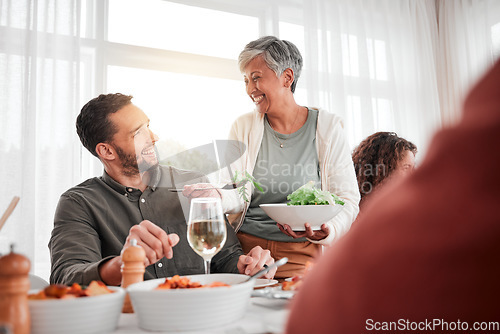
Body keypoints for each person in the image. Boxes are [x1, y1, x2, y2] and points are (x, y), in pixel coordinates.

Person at [285, 60, 500, 333]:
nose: (416, 174)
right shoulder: (345, 217)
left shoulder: (422, 219)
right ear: (381, 172)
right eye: (408, 168)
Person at [49, 93, 275, 286]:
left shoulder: (193, 184)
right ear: (107, 151)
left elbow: (224, 256)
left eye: (148, 126)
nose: (154, 138)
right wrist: (124, 263)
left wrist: (246, 265)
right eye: (138, 133)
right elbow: (65, 276)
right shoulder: (79, 203)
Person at [184, 36, 360, 279]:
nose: (249, 89)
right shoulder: (243, 127)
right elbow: (236, 191)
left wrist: (327, 229)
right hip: (247, 255)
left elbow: (348, 199)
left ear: (287, 77)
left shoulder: (328, 129)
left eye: (256, 78)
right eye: (246, 80)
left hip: (304, 257)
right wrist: (217, 196)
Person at [352, 132, 417, 208]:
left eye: (412, 168)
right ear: (383, 171)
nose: (412, 174)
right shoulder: (354, 209)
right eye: (406, 168)